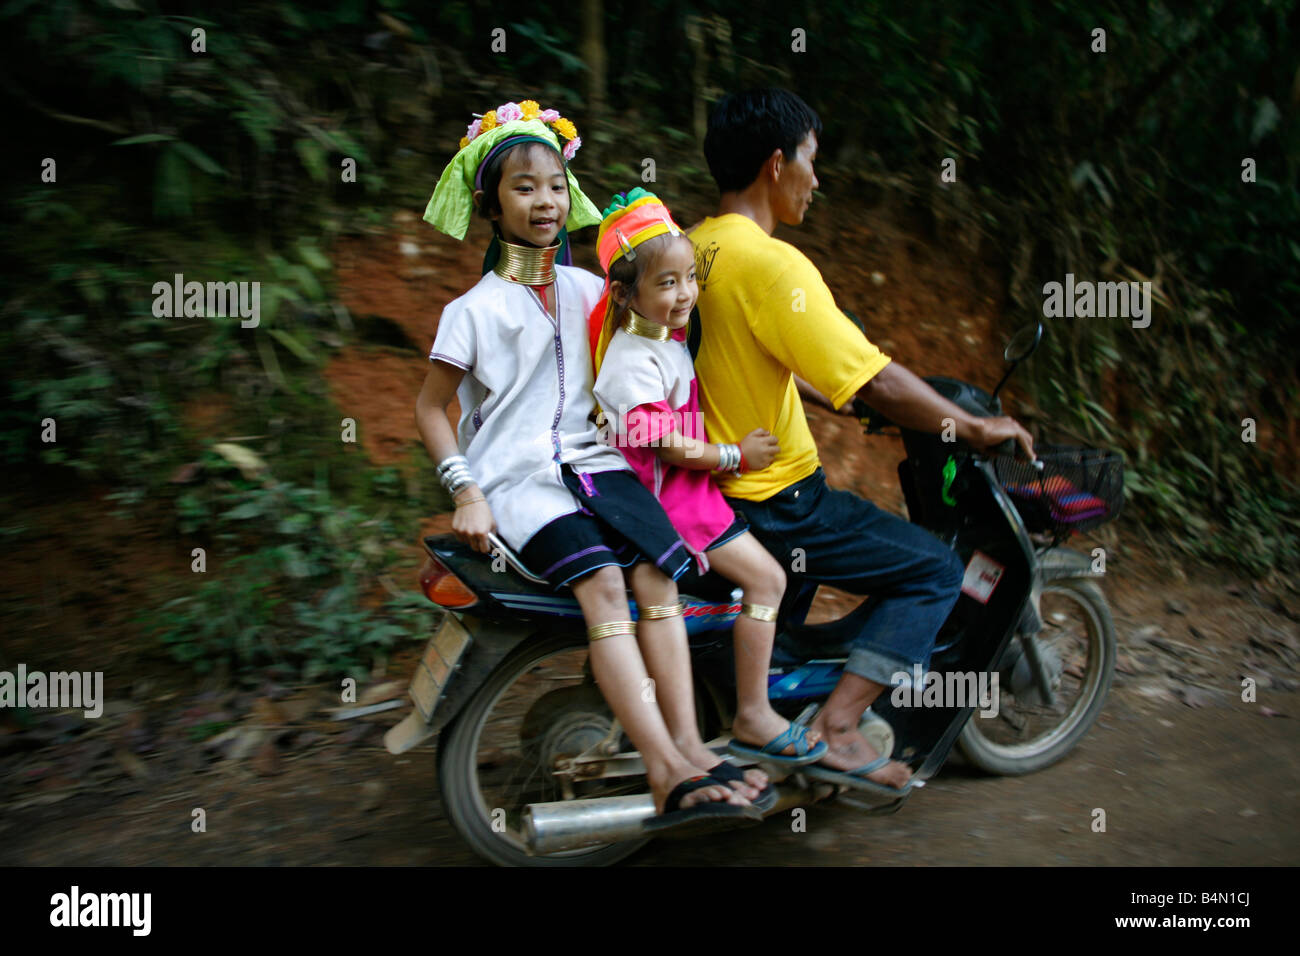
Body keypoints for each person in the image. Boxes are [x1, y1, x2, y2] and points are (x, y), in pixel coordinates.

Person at [413, 99, 760, 834]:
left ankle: (694, 749)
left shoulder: (595, 291)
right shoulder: (470, 311)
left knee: (660, 573)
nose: (543, 202)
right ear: (490, 203)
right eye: (522, 187)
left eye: (551, 186)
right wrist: (465, 490)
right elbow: (429, 410)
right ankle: (665, 772)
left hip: (599, 468)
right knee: (605, 584)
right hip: (517, 481)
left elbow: (662, 333)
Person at [689, 88, 1035, 797]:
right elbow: (874, 377)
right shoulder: (773, 266)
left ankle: (768, 718)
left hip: (708, 498)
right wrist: (973, 426)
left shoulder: (693, 247)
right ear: (777, 164)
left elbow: (755, 358)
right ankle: (839, 731)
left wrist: (843, 403)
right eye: (812, 162)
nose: (817, 180)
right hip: (776, 504)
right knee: (934, 571)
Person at [587, 189, 829, 805]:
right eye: (667, 283)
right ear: (625, 294)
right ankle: (754, 714)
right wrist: (734, 457)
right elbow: (664, 445)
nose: (686, 294)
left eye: (691, 277)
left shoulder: (664, 340)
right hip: (675, 503)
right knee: (769, 582)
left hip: (688, 493)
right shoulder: (631, 360)